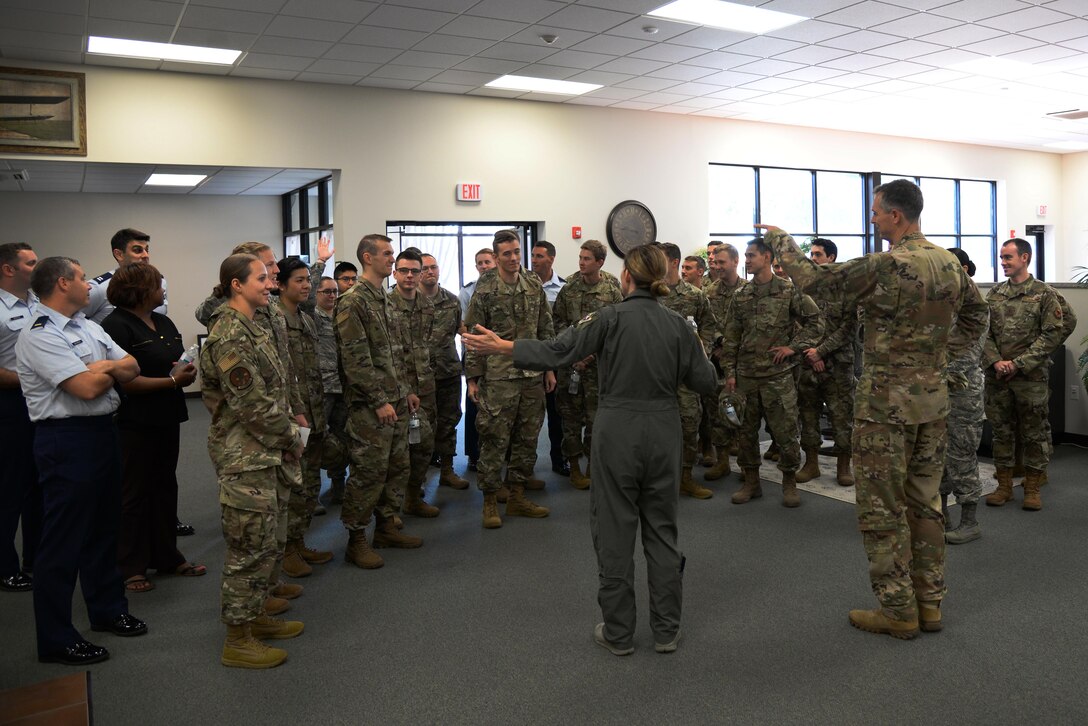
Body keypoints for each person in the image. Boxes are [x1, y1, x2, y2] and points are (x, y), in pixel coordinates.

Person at [463, 244, 718, 655]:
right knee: (663, 531)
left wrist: (505, 347)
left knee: (614, 531)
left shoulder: (608, 317)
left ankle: (619, 634)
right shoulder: (678, 324)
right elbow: (706, 382)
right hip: (665, 430)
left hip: (617, 430)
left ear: (626, 278)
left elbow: (559, 350)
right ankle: (667, 631)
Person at [761, 178, 988, 639]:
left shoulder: (886, 265)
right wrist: (937, 356)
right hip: (932, 402)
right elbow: (978, 316)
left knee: (882, 509)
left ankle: (899, 611)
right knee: (925, 504)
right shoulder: (948, 262)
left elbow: (814, 281)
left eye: (875, 211)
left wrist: (780, 239)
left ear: (896, 216)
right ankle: (930, 605)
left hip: (885, 407)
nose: (872, 217)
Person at [16, 256, 147, 665]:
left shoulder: (88, 326)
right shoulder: (39, 334)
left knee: (104, 530)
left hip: (103, 434)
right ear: (61, 283)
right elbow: (87, 388)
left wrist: (105, 365)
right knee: (62, 543)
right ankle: (56, 639)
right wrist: (110, 371)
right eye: (80, 278)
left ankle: (108, 610)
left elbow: (132, 365)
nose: (90, 285)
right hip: (65, 440)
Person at [201, 253, 304, 669]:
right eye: (261, 278)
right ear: (236, 285)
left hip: (266, 451)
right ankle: (237, 640)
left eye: (270, 277)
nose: (269, 284)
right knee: (247, 549)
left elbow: (274, 388)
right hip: (246, 456)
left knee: (266, 544)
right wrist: (292, 437)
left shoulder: (254, 323)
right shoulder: (229, 332)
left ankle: (257, 616)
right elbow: (251, 404)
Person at [101, 263, 204, 593]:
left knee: (164, 486)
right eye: (159, 285)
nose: (164, 291)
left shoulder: (162, 320)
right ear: (141, 289)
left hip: (166, 414)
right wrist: (173, 380)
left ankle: (167, 555)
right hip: (133, 420)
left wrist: (180, 371)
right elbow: (125, 379)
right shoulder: (115, 325)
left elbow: (172, 358)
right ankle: (130, 565)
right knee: (133, 493)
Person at [335, 234, 422, 568]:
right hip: (371, 406)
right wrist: (378, 400)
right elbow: (355, 359)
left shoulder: (384, 299)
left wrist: (406, 390)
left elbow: (394, 352)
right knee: (368, 471)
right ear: (367, 258)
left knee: (397, 467)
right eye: (387, 254)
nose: (392, 258)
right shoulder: (353, 300)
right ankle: (356, 539)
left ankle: (386, 527)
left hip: (396, 398)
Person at [721, 238, 822, 508]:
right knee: (745, 433)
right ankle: (751, 482)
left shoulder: (789, 291)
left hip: (778, 376)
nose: (747, 260)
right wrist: (730, 373)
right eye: (745, 255)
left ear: (767, 257)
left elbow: (816, 322)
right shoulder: (741, 295)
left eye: (752, 255)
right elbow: (730, 338)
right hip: (746, 377)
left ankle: (789, 482)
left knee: (786, 432)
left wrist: (794, 347)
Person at [465, 229, 555, 528]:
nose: (514, 257)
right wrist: (473, 378)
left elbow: (546, 327)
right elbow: (473, 334)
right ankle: (490, 502)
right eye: (507, 253)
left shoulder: (532, 282)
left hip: (532, 375)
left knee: (527, 439)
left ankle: (517, 496)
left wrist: (550, 368)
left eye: (517, 251)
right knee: (494, 439)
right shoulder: (485, 287)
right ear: (496, 256)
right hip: (498, 377)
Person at [982, 238, 1067, 511]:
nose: (1003, 262)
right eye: (1002, 257)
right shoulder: (994, 294)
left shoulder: (1044, 294)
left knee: (1033, 434)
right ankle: (1004, 486)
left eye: (1008, 257)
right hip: (998, 377)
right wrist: (996, 361)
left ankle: (1031, 487)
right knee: (1002, 433)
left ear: (1025, 258)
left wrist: (1018, 363)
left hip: (1030, 377)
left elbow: (1052, 334)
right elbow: (984, 334)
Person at [276, 257, 336, 577]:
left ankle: (299, 542)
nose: (305, 286)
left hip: (314, 409)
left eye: (307, 280)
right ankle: (285, 550)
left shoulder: (306, 318)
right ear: (280, 285)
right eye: (298, 280)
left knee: (311, 482)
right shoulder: (274, 319)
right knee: (292, 484)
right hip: (292, 415)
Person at [552, 239, 623, 489]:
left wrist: (590, 354)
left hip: (598, 369)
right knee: (570, 420)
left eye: (587, 259)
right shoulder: (569, 288)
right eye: (580, 257)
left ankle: (594, 466)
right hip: (570, 365)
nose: (581, 262)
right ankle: (574, 469)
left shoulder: (612, 290)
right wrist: (575, 353)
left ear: (600, 262)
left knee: (597, 420)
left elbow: (616, 328)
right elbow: (558, 323)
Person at [794, 238, 858, 488]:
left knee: (841, 417)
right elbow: (796, 323)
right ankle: (811, 464)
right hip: (808, 362)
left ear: (831, 258)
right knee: (808, 415)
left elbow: (849, 328)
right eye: (811, 254)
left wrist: (821, 351)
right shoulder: (804, 288)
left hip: (838, 364)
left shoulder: (847, 288)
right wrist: (811, 354)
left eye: (818, 254)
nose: (813, 258)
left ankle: (844, 466)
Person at [657, 243, 718, 500]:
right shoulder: (650, 294)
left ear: (672, 262)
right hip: (657, 373)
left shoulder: (694, 295)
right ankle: (658, 481)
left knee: (690, 423)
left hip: (686, 375)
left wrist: (700, 355)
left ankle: (685, 478)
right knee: (656, 427)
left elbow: (709, 327)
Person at [0, 242, 41, 592]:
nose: (37, 267)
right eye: (30, 263)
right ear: (8, 269)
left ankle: (35, 556)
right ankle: (4, 567)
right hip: (9, 404)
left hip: (39, 402)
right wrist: (36, 377)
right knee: (9, 488)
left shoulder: (38, 302)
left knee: (38, 483)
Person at [389, 249, 442, 518]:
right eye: (404, 271)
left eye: (414, 271)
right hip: (397, 390)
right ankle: (392, 508)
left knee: (423, 446)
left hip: (425, 387)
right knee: (398, 453)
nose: (410, 276)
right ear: (395, 272)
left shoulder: (427, 306)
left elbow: (425, 345)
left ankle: (412, 498)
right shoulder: (386, 305)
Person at [939, 248, 987, 544]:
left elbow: (969, 355)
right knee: (935, 457)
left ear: (965, 270)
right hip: (934, 394)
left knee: (962, 457)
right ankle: (940, 514)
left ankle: (969, 521)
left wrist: (929, 371)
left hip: (963, 394)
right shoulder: (939, 304)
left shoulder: (975, 307)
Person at [419, 252, 469, 490]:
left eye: (434, 267)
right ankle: (416, 481)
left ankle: (447, 470)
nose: (430, 272)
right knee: (421, 426)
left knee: (449, 422)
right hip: (420, 377)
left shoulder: (451, 300)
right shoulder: (407, 301)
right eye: (425, 268)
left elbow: (461, 330)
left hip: (448, 371)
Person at [702, 243, 746, 481]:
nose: (717, 267)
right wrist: (720, 343)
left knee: (742, 413)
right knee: (716, 411)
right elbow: (708, 324)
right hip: (717, 360)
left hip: (743, 362)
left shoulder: (749, 291)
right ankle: (722, 461)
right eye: (715, 262)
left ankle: (747, 464)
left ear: (735, 262)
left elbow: (752, 326)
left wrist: (731, 348)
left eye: (722, 262)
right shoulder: (709, 293)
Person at [531, 240, 567, 477]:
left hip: (556, 359)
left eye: (539, 256)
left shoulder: (563, 289)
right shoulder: (526, 286)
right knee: (529, 418)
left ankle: (559, 459)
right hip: (531, 358)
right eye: (532, 256)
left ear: (551, 259)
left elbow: (563, 325)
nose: (534, 260)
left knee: (557, 415)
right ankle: (525, 468)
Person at [459, 248, 497, 471]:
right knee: (474, 405)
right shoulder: (467, 292)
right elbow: (463, 325)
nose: (484, 266)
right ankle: (474, 455)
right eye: (480, 263)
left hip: (500, 356)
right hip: (475, 353)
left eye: (487, 262)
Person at [314, 276, 349, 507]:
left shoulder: (342, 315)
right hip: (322, 387)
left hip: (343, 385)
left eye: (335, 292)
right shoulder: (310, 317)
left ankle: (338, 485)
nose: (331, 296)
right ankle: (311, 494)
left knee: (341, 436)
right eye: (326, 291)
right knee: (316, 439)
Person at [84, 228, 166, 324]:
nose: (145, 255)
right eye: (137, 250)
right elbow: (73, 321)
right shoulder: (98, 288)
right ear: (119, 254)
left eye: (147, 250)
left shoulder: (159, 283)